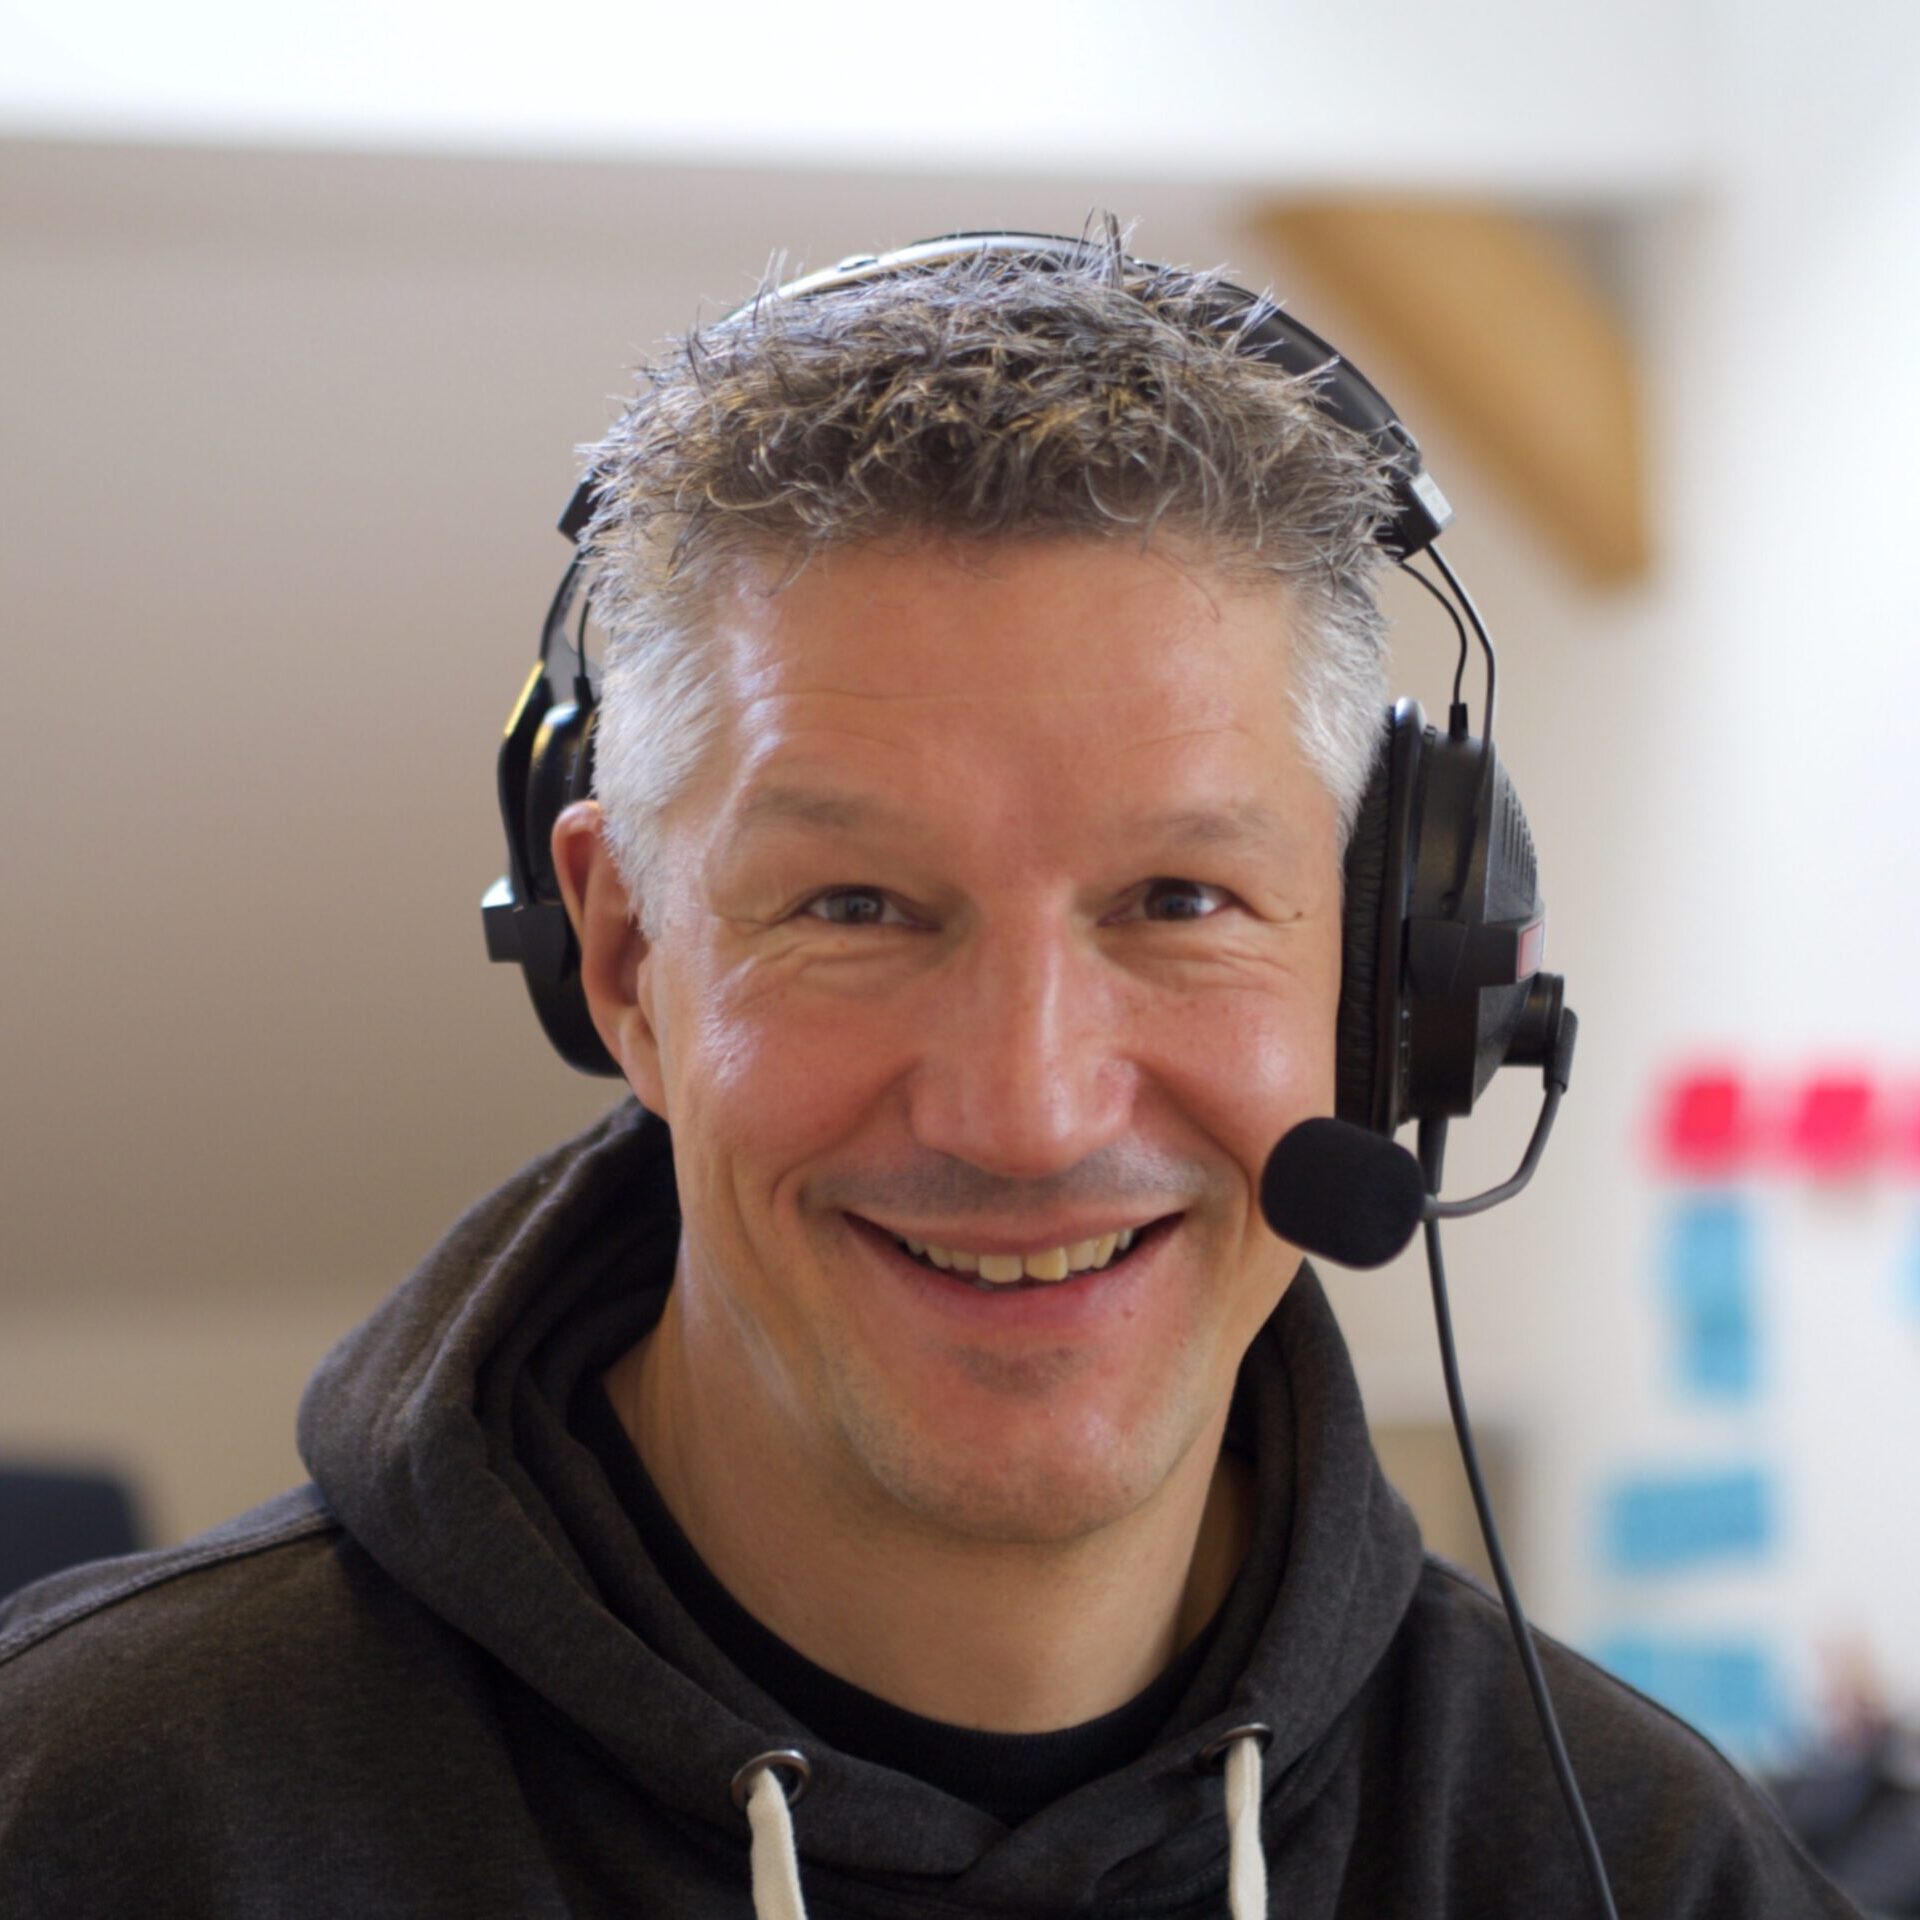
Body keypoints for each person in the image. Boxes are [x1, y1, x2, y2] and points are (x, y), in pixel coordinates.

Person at [0, 230, 1860, 1918]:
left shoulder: (1638, 1864)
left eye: (1179, 897)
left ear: (1394, 982)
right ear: (625, 960)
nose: (1029, 1109)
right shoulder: (95, 1822)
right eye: (859, 904)